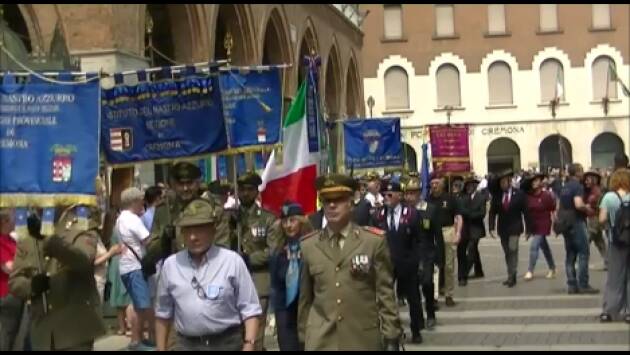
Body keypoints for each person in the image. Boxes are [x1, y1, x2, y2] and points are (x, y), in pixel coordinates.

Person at [298, 174, 403, 350]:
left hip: (362, 338)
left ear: (351, 202)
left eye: (338, 200)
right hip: (322, 340)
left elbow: (385, 293)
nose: (332, 205)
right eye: (326, 200)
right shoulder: (309, 245)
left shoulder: (372, 242)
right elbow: (305, 299)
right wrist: (303, 336)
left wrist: (391, 335)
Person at [154, 198, 262, 351]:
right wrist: (160, 348)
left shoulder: (232, 261)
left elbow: (250, 309)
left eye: (199, 230)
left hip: (227, 343)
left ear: (213, 230)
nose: (193, 237)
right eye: (188, 230)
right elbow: (162, 313)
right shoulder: (171, 265)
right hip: (186, 345)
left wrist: (249, 344)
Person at [9, 205, 106, 350]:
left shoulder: (81, 222)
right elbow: (15, 281)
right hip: (42, 332)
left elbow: (83, 260)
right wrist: (32, 286)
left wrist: (47, 238)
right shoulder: (27, 234)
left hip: (74, 329)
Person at [218, 171, 281, 350]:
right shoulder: (228, 217)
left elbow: (273, 251)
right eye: (242, 190)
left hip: (257, 280)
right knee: (234, 331)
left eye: (249, 189)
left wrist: (250, 258)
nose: (245, 193)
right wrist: (230, 226)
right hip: (231, 281)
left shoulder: (267, 218)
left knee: (256, 332)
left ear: (256, 191)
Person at [371, 181, 423, 343]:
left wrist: (417, 261)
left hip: (407, 264)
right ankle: (391, 331)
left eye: (390, 194)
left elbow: (419, 240)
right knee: (385, 299)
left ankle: (416, 329)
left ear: (399, 196)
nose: (386, 197)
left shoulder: (412, 214)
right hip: (385, 265)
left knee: (413, 298)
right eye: (384, 194)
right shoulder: (378, 215)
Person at [116, 187, 156, 351]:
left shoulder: (121, 219)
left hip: (127, 267)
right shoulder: (132, 219)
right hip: (135, 267)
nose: (143, 203)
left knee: (139, 305)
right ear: (133, 201)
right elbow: (148, 240)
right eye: (141, 199)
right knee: (145, 305)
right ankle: (154, 336)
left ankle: (136, 339)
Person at [269, 202, 312, 351]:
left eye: (292, 220)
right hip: (284, 312)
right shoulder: (278, 252)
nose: (288, 225)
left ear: (301, 221)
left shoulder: (312, 247)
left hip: (308, 310)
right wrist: (273, 313)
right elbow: (275, 285)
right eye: (285, 221)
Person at [403, 175, 439, 330]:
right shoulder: (404, 212)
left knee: (427, 284)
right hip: (411, 256)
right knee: (413, 289)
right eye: (408, 193)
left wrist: (440, 258)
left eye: (413, 193)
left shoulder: (430, 209)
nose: (410, 196)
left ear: (419, 193)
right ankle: (418, 318)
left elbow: (437, 235)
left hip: (427, 254)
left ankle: (430, 313)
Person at [557, 163, 599, 295]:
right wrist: (587, 208)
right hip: (576, 221)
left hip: (565, 223)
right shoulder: (577, 187)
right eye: (582, 171)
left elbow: (559, 206)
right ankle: (583, 284)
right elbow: (578, 204)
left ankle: (571, 284)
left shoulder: (565, 187)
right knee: (583, 252)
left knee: (570, 255)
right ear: (578, 172)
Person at [598, 168, 630, 323]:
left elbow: (601, 219)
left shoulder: (609, 197)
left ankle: (609, 311)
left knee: (614, 277)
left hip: (616, 241)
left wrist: (612, 223)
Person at [488, 169, 527, 288]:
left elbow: (526, 211)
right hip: (503, 227)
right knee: (507, 252)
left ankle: (512, 276)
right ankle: (510, 274)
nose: (503, 184)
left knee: (513, 249)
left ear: (509, 182)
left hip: (515, 226)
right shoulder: (497, 196)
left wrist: (529, 228)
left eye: (505, 182)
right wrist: (491, 227)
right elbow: (492, 212)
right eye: (501, 182)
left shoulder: (519, 194)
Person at [427, 174, 462, 306]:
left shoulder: (450, 198)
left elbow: (458, 216)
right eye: (432, 183)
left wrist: (458, 232)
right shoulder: (427, 200)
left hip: (448, 231)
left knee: (449, 266)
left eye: (436, 183)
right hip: (433, 234)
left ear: (442, 184)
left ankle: (449, 294)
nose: (434, 186)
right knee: (435, 267)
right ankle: (434, 297)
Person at [521, 173, 557, 281]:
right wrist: (528, 230)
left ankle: (530, 271)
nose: (535, 183)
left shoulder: (546, 195)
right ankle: (552, 268)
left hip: (544, 223)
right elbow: (526, 213)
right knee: (544, 247)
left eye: (537, 181)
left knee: (534, 246)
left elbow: (552, 208)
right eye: (533, 181)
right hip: (533, 224)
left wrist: (555, 223)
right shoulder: (528, 196)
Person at [0, 208, 23, 351]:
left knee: (16, 335)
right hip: (6, 293)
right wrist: (24, 263)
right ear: (4, 221)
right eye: (13, 218)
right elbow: (8, 267)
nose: (16, 220)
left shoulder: (12, 240)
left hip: (16, 292)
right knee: (7, 334)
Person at [460, 177, 486, 282]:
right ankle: (479, 271)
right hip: (466, 229)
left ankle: (464, 272)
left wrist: (469, 215)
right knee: (474, 250)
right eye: (467, 186)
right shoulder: (464, 197)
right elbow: (462, 210)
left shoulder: (481, 197)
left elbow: (482, 213)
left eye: (471, 185)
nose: (469, 188)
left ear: (475, 186)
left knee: (471, 249)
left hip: (477, 228)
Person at [584, 171, 607, 269]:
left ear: (594, 180)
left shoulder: (596, 192)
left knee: (585, 241)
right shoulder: (594, 190)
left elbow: (591, 205)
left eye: (588, 179)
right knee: (599, 242)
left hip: (594, 219)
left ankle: (582, 262)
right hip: (593, 218)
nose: (586, 182)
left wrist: (584, 206)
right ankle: (608, 262)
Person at [94, 234, 122, 303]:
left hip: (101, 280)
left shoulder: (96, 236)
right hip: (95, 282)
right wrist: (110, 253)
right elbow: (91, 262)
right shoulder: (88, 238)